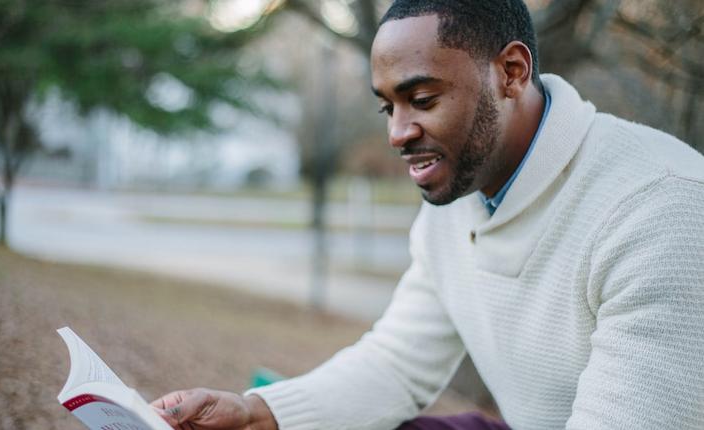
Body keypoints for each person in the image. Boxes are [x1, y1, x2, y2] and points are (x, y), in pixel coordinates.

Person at [151, 0, 704, 428]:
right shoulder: (460, 191)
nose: (397, 133)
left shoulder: (660, 207)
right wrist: (257, 414)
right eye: (388, 105)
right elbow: (397, 364)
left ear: (511, 72)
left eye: (423, 98)